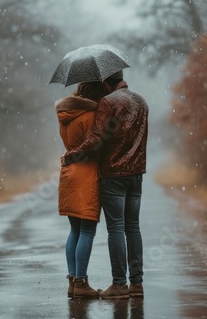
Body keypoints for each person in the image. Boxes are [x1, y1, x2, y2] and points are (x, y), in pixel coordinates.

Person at [62, 71, 149, 299]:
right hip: (137, 174)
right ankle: (137, 284)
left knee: (116, 229)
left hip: (113, 175)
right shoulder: (141, 100)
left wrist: (72, 154)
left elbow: (96, 140)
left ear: (105, 81)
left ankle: (119, 285)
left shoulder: (107, 102)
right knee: (133, 228)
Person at [55, 81, 107, 299]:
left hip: (68, 172)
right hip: (86, 173)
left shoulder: (66, 114)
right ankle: (81, 282)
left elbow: (72, 145)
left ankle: (72, 282)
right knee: (87, 230)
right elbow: (94, 147)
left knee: (74, 230)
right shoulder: (90, 115)